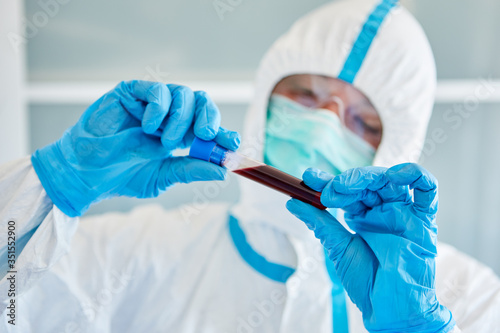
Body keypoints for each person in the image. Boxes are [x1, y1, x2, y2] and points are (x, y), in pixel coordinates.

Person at [1, 0, 499, 332]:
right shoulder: (138, 254)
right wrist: (51, 184)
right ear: (265, 94)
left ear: (397, 149)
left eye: (363, 122)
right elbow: (10, 307)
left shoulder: (468, 297)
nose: (323, 126)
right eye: (305, 94)